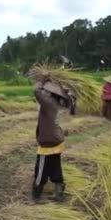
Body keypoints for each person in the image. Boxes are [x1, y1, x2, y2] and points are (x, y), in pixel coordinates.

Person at [31, 73, 74, 202]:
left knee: (41, 169)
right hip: (56, 140)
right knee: (55, 167)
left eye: (47, 91)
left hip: (49, 142)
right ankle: (59, 193)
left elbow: (37, 92)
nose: (45, 92)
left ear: (51, 93)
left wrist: (41, 79)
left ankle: (36, 194)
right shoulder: (58, 103)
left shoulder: (49, 103)